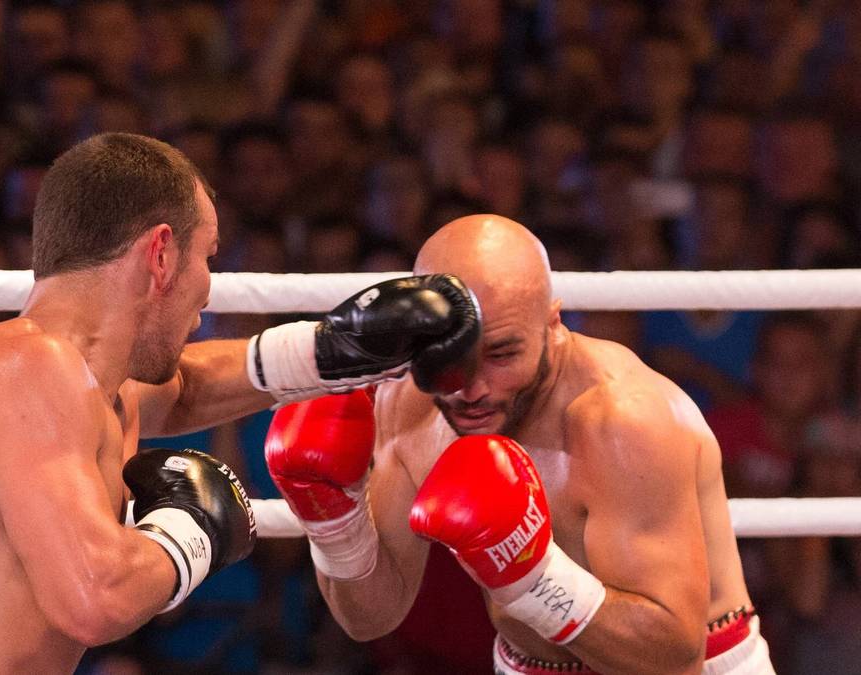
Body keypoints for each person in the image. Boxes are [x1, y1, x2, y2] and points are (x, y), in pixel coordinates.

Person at [0, 132, 477, 675]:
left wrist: (336, 349)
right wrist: (191, 529)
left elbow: (190, 385)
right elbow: (96, 597)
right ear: (162, 253)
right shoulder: (28, 365)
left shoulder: (93, 380)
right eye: (208, 258)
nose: (208, 290)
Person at [266, 214, 775, 674]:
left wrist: (532, 577)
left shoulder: (622, 421)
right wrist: (336, 523)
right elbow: (371, 617)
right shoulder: (411, 402)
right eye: (447, 354)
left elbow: (673, 659)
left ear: (552, 325)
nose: (471, 387)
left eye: (502, 353)